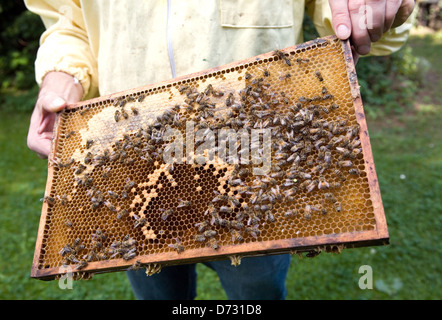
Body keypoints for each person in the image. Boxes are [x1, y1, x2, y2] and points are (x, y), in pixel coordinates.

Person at [24, 0, 415, 300]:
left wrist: (372, 8)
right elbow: (67, 22)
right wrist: (62, 77)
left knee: (255, 292)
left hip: (256, 174)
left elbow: (354, 15)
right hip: (135, 175)